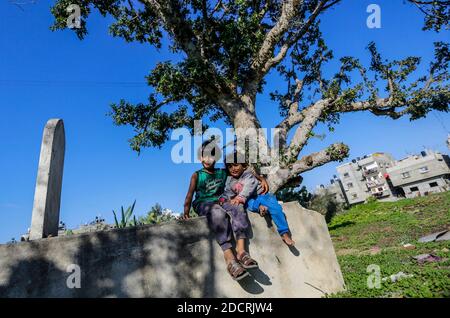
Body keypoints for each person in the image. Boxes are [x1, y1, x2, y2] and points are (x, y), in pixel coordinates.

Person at [183, 139, 268, 281]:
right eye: (204, 155)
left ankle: (242, 252)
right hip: (204, 204)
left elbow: (243, 173)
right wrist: (185, 212)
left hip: (223, 201)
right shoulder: (197, 175)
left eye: (212, 155)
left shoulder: (222, 172)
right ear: (200, 158)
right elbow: (189, 195)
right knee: (217, 212)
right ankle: (230, 259)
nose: (208, 159)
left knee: (238, 206)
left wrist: (261, 178)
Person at [221, 156, 295, 247]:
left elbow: (248, 187)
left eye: (236, 165)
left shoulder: (248, 175)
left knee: (275, 207)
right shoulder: (231, 182)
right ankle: (260, 208)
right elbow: (227, 193)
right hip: (249, 199)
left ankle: (284, 233)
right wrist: (222, 199)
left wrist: (240, 197)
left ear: (243, 166)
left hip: (262, 195)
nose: (233, 169)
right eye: (230, 167)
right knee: (249, 204)